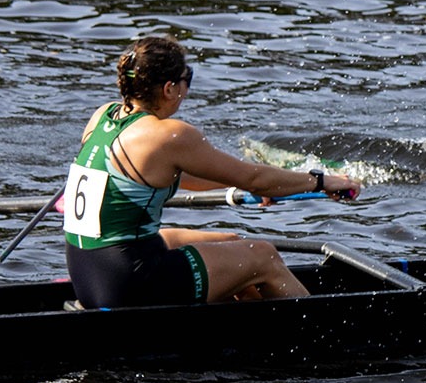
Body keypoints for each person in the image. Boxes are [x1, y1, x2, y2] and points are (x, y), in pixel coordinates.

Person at [65, 35, 361, 308]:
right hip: (129, 283)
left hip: (89, 273)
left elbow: (178, 178)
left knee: (231, 243)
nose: (187, 88)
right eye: (186, 79)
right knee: (263, 256)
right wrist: (321, 181)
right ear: (169, 88)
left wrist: (248, 188)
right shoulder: (167, 135)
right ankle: (325, 333)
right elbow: (256, 178)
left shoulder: (103, 116)